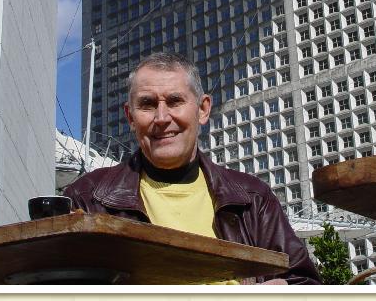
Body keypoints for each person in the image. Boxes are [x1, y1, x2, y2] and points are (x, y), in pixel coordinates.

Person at [64, 52, 320, 285]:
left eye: (175, 101)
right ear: (131, 117)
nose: (162, 118)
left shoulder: (252, 199)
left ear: (203, 109)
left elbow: (304, 283)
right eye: (147, 104)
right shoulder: (86, 199)